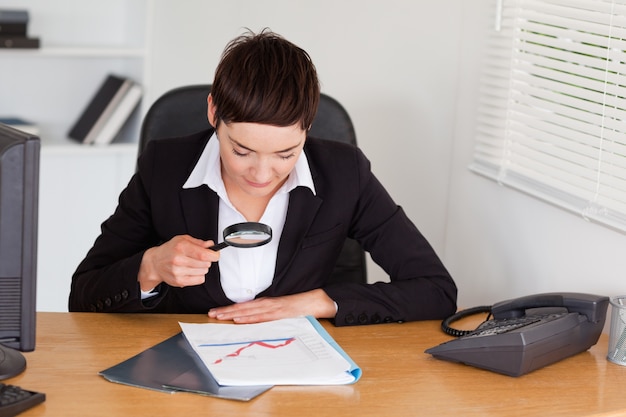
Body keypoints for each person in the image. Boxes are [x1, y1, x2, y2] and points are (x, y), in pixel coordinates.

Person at [68, 29, 457, 326]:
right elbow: (83, 296)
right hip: (183, 366)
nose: (261, 173)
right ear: (213, 113)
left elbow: (436, 289)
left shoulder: (344, 173)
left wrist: (319, 301)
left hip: (299, 370)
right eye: (241, 150)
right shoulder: (164, 166)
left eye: (286, 154)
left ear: (308, 126)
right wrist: (150, 267)